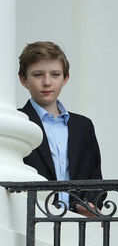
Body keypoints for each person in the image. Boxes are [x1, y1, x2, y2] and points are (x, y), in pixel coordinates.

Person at [18, 41, 103, 214]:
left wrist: (89, 205)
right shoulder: (18, 122)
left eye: (55, 74)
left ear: (66, 78)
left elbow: (95, 179)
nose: (47, 82)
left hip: (75, 223)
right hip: (32, 220)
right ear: (23, 80)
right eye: (38, 75)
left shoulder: (83, 126)